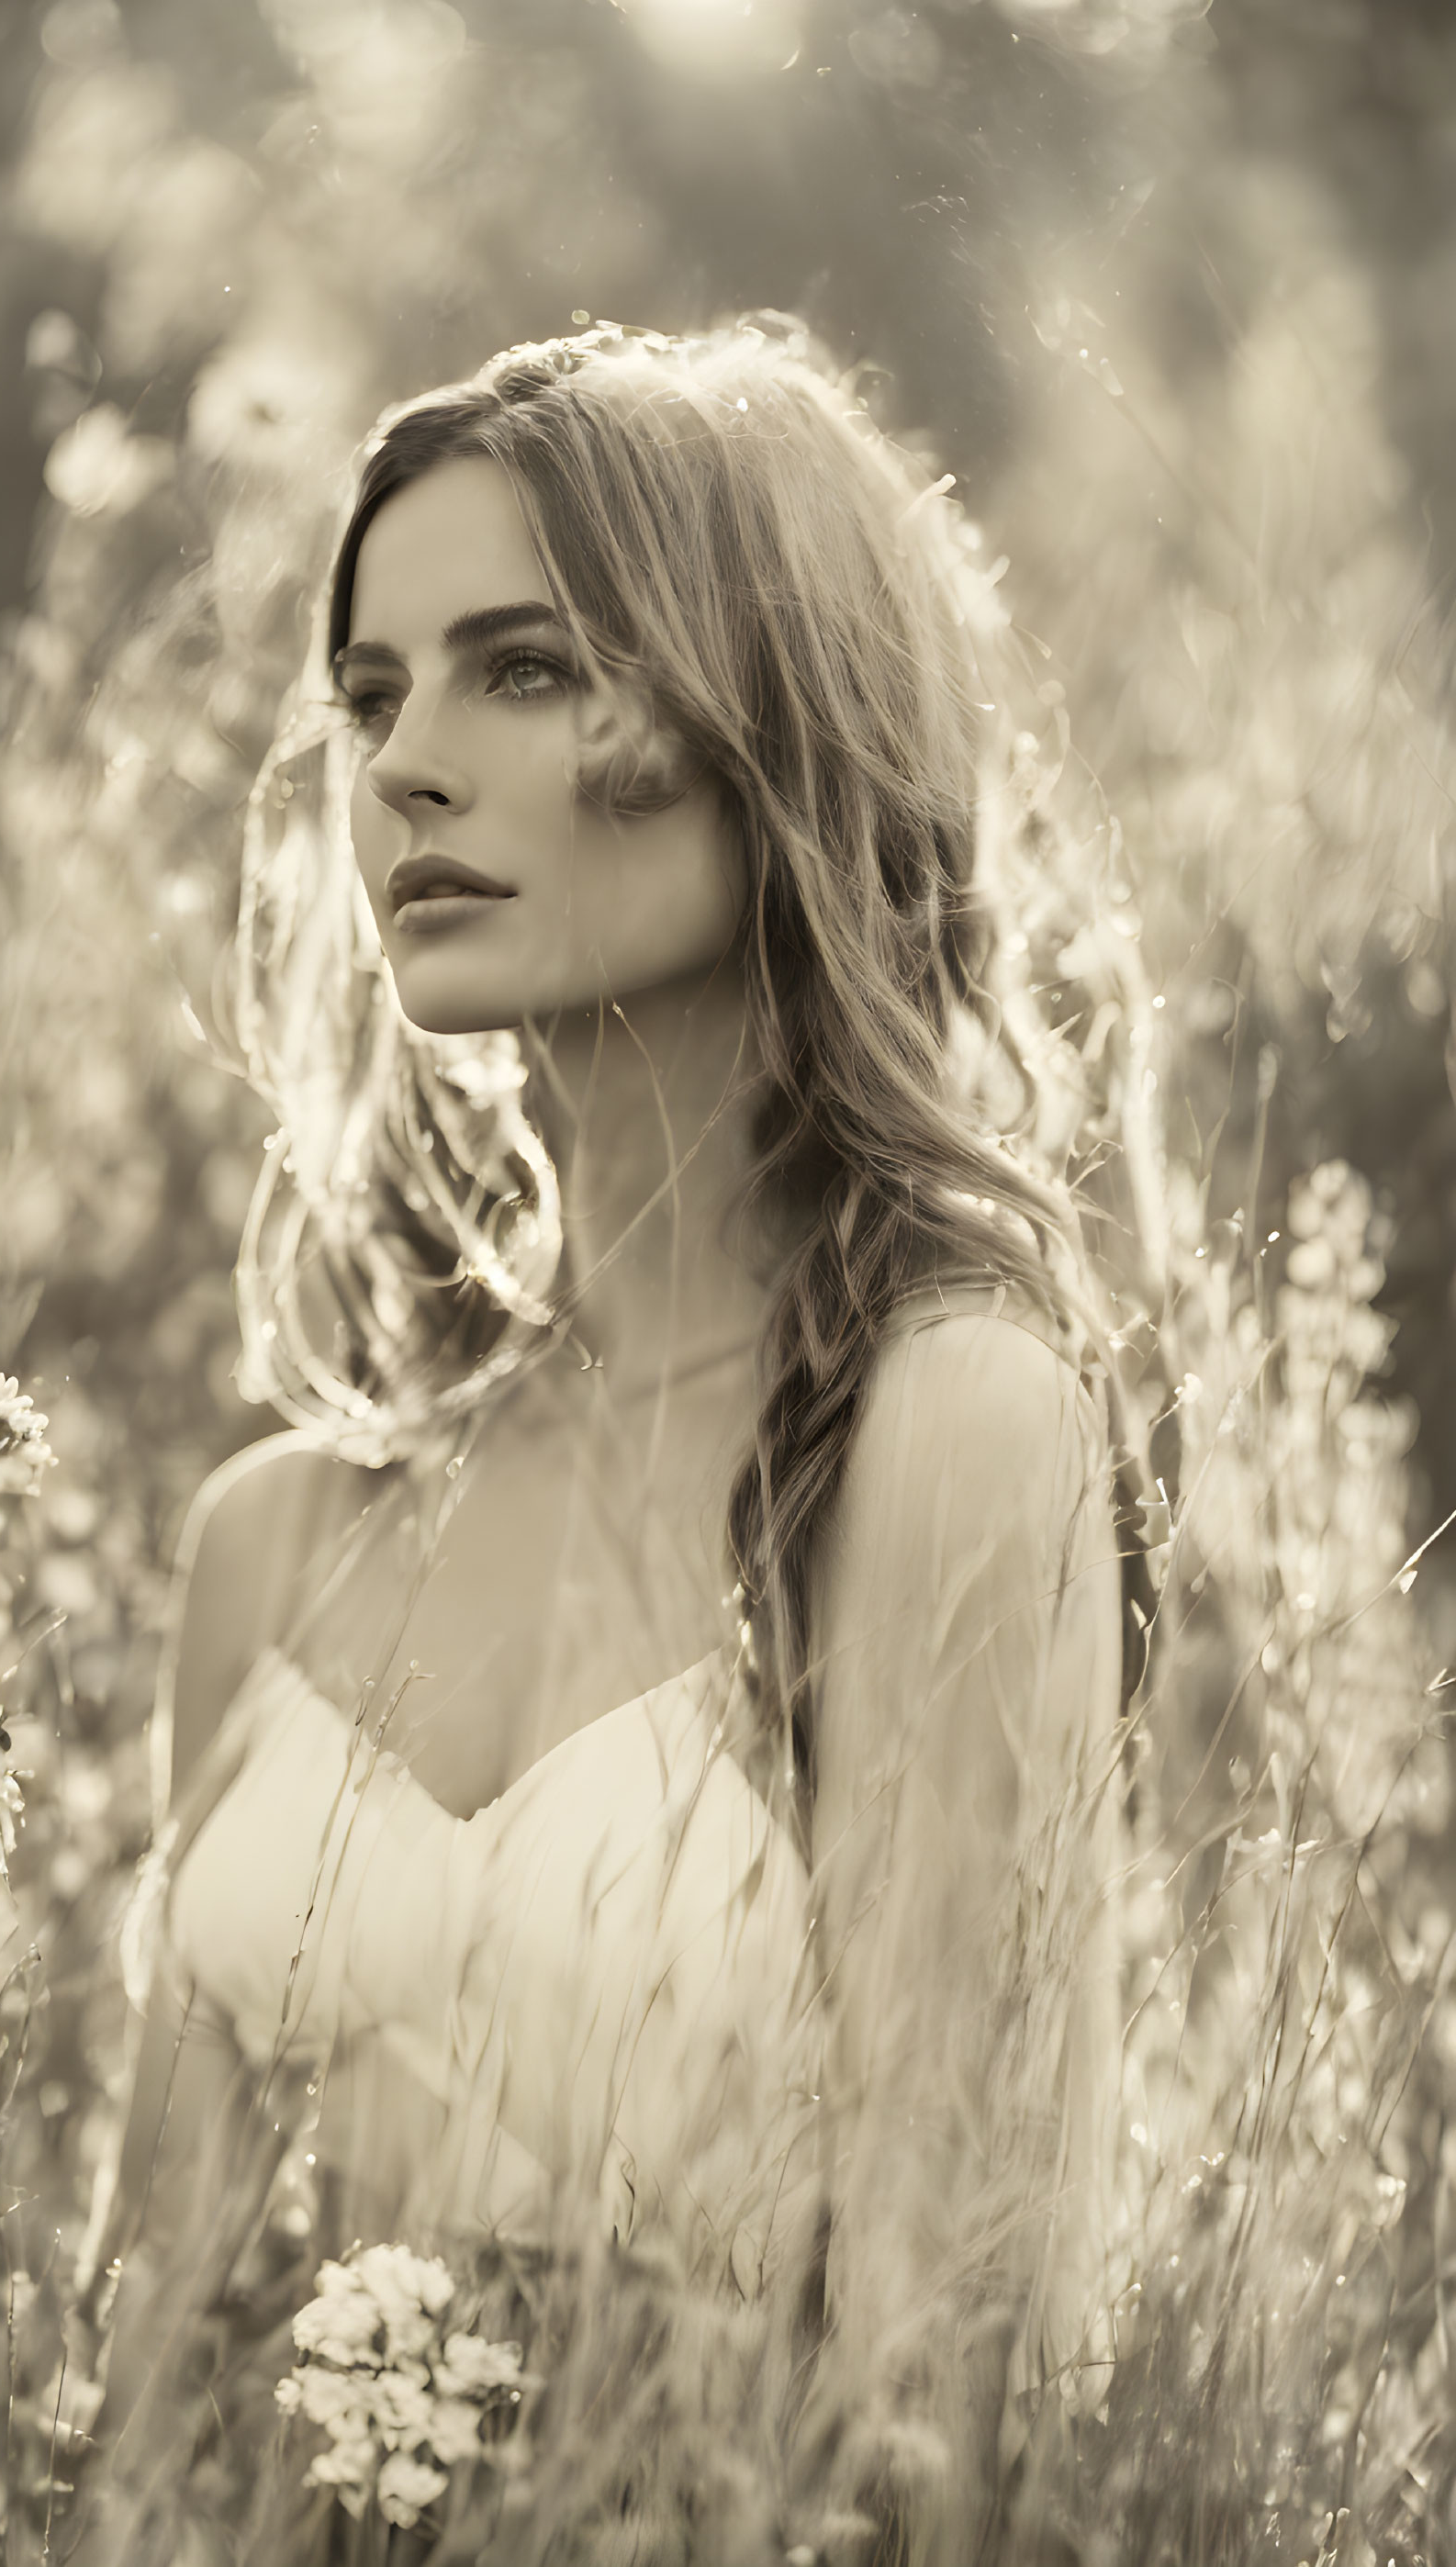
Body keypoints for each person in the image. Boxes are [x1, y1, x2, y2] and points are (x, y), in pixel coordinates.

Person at [83, 317, 1129, 2566]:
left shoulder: (946, 1425)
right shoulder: (274, 1539)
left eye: (525, 670)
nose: (407, 770)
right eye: (369, 697)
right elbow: (131, 2411)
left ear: (769, 718)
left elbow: (948, 2380)